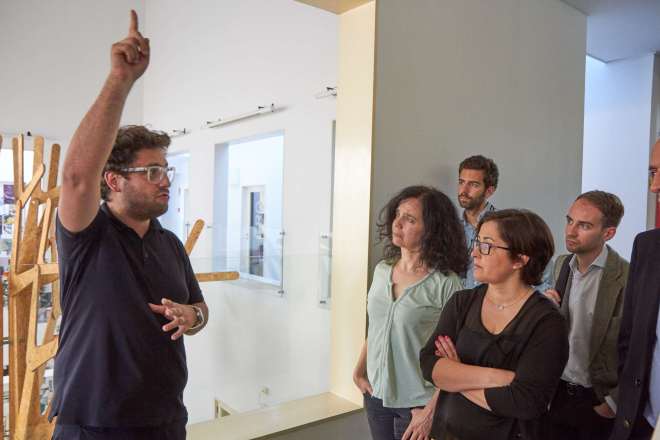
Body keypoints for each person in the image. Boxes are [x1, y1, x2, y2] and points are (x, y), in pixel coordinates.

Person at [51, 11, 207, 440]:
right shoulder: (87, 236)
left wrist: (192, 315)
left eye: (166, 170)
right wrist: (120, 80)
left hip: (165, 421)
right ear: (114, 180)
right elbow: (76, 177)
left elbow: (200, 309)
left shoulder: (169, 243)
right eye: (152, 172)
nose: (165, 181)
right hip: (94, 425)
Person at [420, 209, 569, 440]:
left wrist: (456, 373)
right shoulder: (462, 302)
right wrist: (498, 377)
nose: (474, 253)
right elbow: (430, 365)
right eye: (477, 242)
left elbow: (527, 402)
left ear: (520, 259)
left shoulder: (547, 322)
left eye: (487, 246)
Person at [353, 186, 468, 440]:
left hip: (417, 405)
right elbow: (378, 328)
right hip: (376, 396)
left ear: (432, 230)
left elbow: (457, 358)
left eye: (410, 219)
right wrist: (358, 372)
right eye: (397, 214)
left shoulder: (446, 284)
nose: (397, 223)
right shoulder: (382, 270)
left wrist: (430, 411)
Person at [542, 191, 628, 440]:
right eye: (570, 221)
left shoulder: (628, 277)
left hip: (597, 401)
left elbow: (639, 347)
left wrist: (613, 402)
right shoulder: (561, 265)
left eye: (584, 225)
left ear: (608, 233)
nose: (571, 231)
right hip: (557, 394)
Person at [610, 139, 660, 440]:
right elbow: (629, 338)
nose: (655, 186)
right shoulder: (647, 246)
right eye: (653, 173)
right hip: (641, 424)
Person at [457, 155, 498, 289]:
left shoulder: (504, 226)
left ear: (489, 191)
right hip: (455, 299)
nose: (464, 190)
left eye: (473, 185)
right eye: (461, 182)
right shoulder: (450, 227)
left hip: (490, 299)